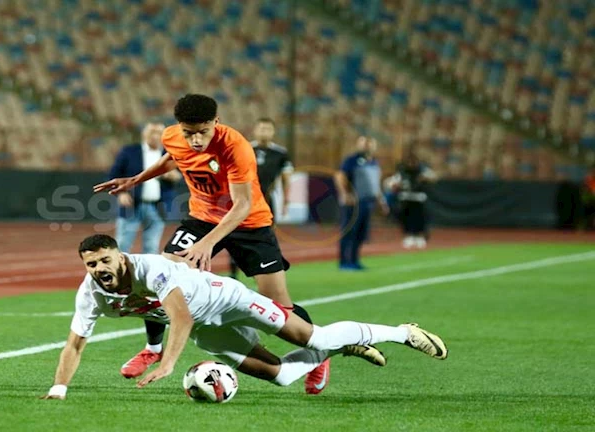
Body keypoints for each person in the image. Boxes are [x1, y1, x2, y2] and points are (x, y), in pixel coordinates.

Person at [95, 94, 335, 394]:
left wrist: (207, 244)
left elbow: (242, 205)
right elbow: (173, 158)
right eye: (189, 133)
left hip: (250, 224)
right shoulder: (172, 136)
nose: (195, 140)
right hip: (202, 218)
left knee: (279, 306)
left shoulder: (235, 147)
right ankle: (153, 348)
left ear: (216, 123)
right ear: (179, 127)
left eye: (203, 132)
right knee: (161, 275)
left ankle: (319, 353)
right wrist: (137, 179)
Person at [40, 234, 448, 400]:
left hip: (228, 300)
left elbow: (179, 317)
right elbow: (75, 344)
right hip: (207, 332)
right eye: (91, 264)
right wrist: (59, 389)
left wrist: (167, 363)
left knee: (312, 337)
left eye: (105, 260)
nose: (99, 269)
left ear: (121, 257)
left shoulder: (150, 270)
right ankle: (339, 350)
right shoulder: (91, 294)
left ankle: (402, 332)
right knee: (281, 376)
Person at [228, 117, 294, 280]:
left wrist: (286, 200)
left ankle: (266, 272)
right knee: (233, 234)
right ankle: (233, 272)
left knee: (266, 236)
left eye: (268, 129)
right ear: (255, 130)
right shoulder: (243, 148)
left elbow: (286, 178)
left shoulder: (281, 154)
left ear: (273, 132)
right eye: (262, 128)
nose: (264, 132)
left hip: (266, 201)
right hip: (242, 199)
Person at [108, 123, 181, 254]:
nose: (155, 136)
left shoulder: (171, 154)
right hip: (132, 204)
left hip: (158, 206)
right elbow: (114, 174)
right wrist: (121, 193)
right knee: (122, 244)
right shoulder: (130, 152)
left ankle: (148, 268)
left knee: (152, 246)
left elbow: (181, 176)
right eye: (152, 133)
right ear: (144, 135)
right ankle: (118, 267)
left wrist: (174, 176)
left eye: (159, 133)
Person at [333, 136, 389, 270]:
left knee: (361, 233)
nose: (367, 146)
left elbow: (375, 185)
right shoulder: (351, 160)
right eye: (364, 143)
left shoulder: (374, 162)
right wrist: (345, 194)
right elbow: (339, 176)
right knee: (349, 232)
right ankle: (344, 262)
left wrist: (382, 201)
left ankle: (354, 260)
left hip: (368, 202)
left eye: (370, 143)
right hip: (354, 202)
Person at [386, 148, 438, 248]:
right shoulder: (402, 172)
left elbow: (434, 177)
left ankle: (419, 237)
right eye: (409, 161)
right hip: (406, 198)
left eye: (413, 161)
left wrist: (425, 178)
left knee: (420, 218)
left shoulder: (423, 170)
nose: (411, 163)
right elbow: (390, 183)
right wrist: (396, 185)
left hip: (419, 198)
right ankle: (409, 236)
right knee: (406, 219)